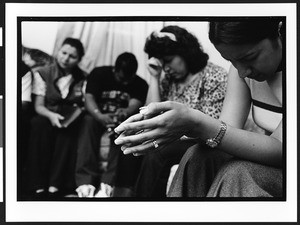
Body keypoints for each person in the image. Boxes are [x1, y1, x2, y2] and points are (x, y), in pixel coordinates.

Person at [114, 18, 283, 197]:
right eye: (232, 61)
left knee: (237, 173)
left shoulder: (213, 76)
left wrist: (195, 123)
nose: (242, 72)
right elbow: (226, 129)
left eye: (250, 58)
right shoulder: (240, 72)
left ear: (280, 32)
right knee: (198, 157)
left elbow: (283, 149)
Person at [133, 25, 228, 198]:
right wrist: (154, 77)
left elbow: (212, 126)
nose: (166, 68)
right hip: (172, 138)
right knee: (136, 145)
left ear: (185, 53)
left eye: (168, 60)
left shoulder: (215, 76)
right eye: (163, 63)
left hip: (202, 139)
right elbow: (149, 115)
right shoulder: (169, 80)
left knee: (157, 154)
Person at [75, 52, 148, 198]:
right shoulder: (99, 73)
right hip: (96, 116)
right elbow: (88, 99)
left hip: (119, 120)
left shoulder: (141, 83)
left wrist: (125, 112)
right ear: (114, 70)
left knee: (123, 129)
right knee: (88, 121)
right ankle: (85, 182)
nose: (126, 83)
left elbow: (135, 105)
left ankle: (107, 184)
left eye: (129, 79)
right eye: (122, 78)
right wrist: (99, 116)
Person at [26, 37, 86, 199]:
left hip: (68, 119)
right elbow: (38, 106)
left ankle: (56, 185)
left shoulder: (82, 78)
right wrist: (52, 116)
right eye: (63, 53)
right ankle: (38, 185)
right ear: (58, 51)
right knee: (38, 124)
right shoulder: (43, 73)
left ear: (79, 59)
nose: (65, 59)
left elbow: (83, 104)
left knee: (68, 132)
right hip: (46, 114)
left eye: (72, 56)